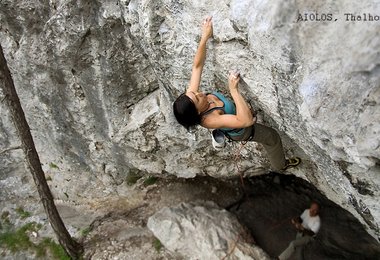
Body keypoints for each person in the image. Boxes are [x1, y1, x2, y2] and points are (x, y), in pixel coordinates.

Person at [172, 16, 300, 171]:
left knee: (233, 115)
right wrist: (233, 90)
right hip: (242, 130)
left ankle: (221, 131)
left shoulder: (192, 96)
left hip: (229, 118)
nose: (198, 93)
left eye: (194, 93)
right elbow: (246, 121)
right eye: (197, 98)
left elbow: (197, 66)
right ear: (198, 111)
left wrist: (205, 37)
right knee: (272, 137)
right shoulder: (209, 120)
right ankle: (280, 166)